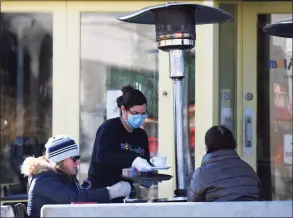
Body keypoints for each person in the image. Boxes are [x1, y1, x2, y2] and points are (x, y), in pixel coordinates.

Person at [21, 135, 131, 217]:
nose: (78, 162)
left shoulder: (64, 177)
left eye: (78, 158)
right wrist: (111, 192)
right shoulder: (43, 180)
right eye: (74, 158)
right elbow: (76, 200)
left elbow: (82, 197)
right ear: (59, 160)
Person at [87, 85, 153, 202]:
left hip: (128, 195)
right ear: (123, 109)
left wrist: (148, 177)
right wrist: (132, 160)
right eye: (135, 113)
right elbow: (102, 157)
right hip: (102, 194)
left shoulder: (141, 135)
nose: (140, 117)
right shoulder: (109, 128)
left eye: (143, 114)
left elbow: (144, 163)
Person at [188, 125, 261, 202]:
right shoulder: (249, 171)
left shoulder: (201, 174)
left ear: (207, 146)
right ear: (233, 143)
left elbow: (191, 205)